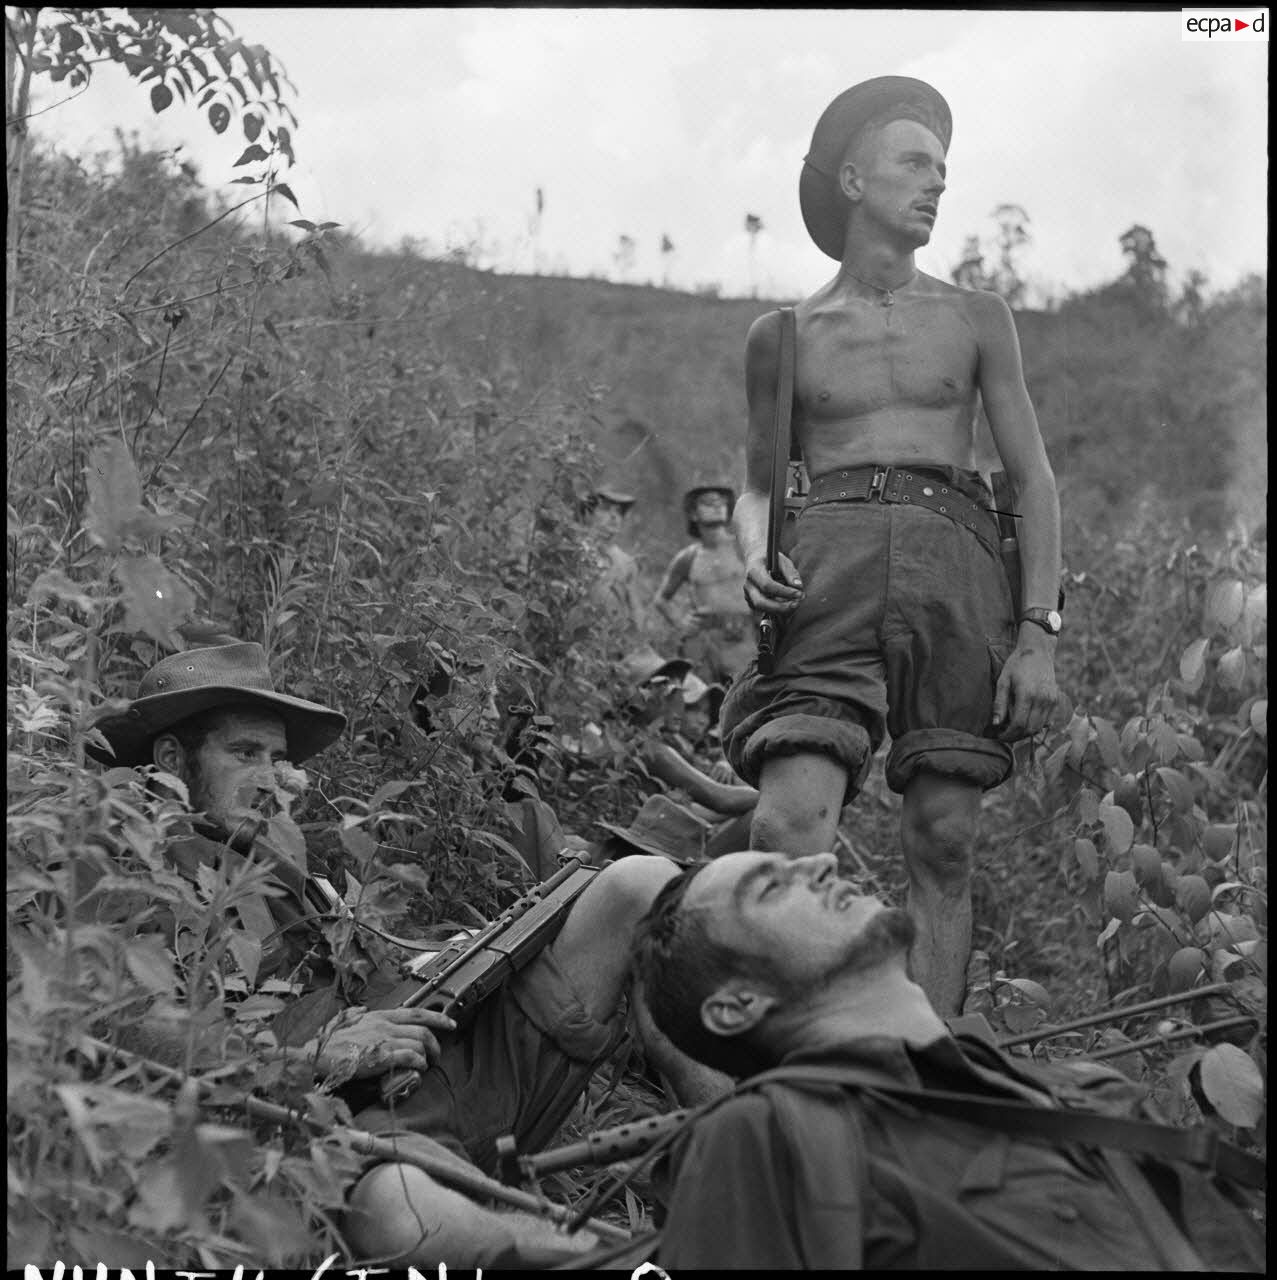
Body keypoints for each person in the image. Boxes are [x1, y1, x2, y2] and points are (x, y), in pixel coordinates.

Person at [88, 641, 721, 1267]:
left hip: (445, 1064)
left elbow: (361, 986)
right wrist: (306, 1057)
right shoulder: (128, 871)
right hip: (344, 1133)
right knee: (406, 1213)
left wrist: (438, 964)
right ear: (171, 759)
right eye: (246, 754)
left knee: (639, 885)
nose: (278, 778)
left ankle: (745, 1141)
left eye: (280, 758)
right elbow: (120, 1028)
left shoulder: (287, 865)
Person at [721, 76, 1062, 1014]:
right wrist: (754, 553)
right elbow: (757, 487)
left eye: (942, 170)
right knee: (788, 821)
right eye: (914, 163)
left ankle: (923, 1070)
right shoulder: (782, 338)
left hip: (953, 567)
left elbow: (1031, 479)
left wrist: (1036, 633)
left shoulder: (975, 317)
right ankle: (787, 1062)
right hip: (823, 570)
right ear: (852, 179)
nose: (935, 183)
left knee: (943, 836)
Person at [631, 852, 1265, 1271]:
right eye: (771, 887)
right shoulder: (766, 1136)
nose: (823, 862)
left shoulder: (1088, 1089)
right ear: (737, 1004)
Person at [653, 484, 755, 683]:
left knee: (744, 696)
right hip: (702, 643)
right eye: (708, 502)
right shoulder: (688, 558)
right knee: (705, 701)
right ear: (693, 514)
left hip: (741, 639)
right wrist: (681, 622)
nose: (717, 506)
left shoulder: (743, 547)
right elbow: (661, 599)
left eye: (721, 502)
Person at [582, 485, 646, 635]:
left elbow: (636, 609)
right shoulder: (574, 550)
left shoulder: (627, 562)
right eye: (605, 509)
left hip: (609, 641)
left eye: (618, 512)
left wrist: (634, 639)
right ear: (589, 513)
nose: (613, 516)